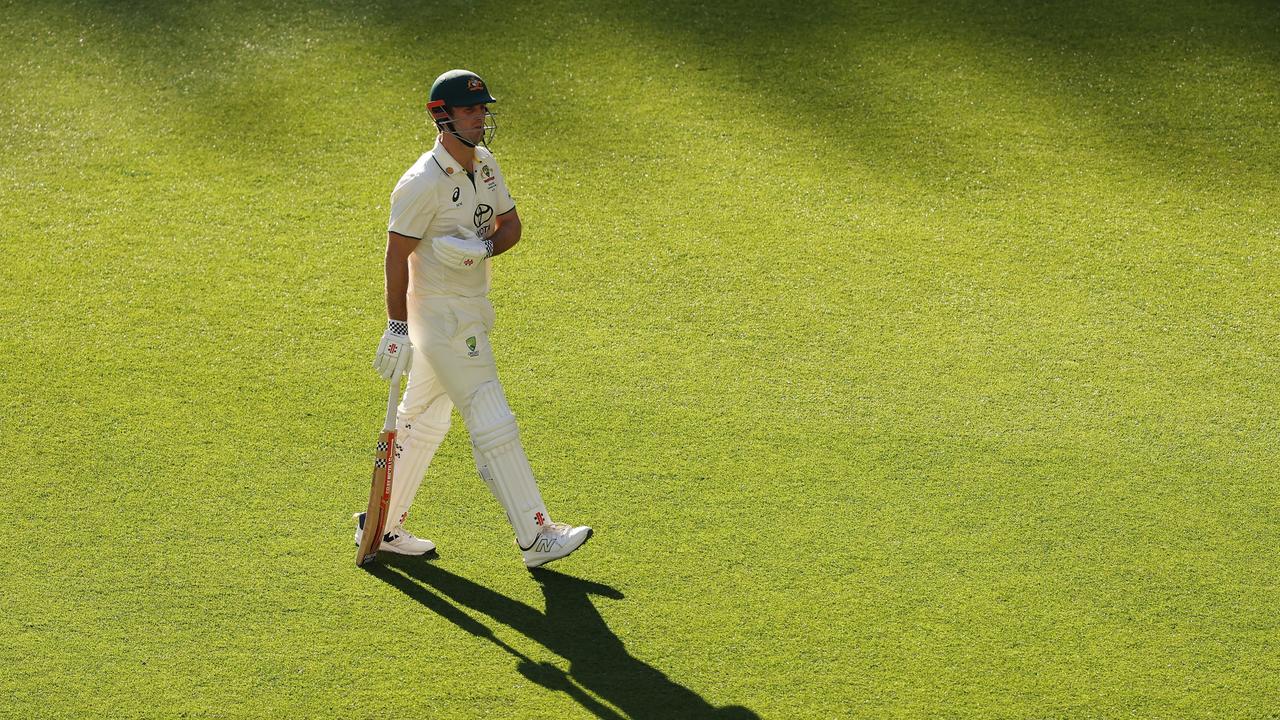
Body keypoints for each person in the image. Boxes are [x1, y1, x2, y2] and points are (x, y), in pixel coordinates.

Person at [357, 69, 593, 569]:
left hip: (472, 308)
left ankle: (382, 524)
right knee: (492, 416)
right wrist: (397, 326)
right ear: (443, 118)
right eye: (471, 110)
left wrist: (481, 248)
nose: (482, 117)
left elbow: (512, 226)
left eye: (484, 108)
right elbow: (395, 256)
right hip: (440, 318)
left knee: (424, 421)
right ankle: (536, 535)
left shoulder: (485, 165)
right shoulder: (421, 183)